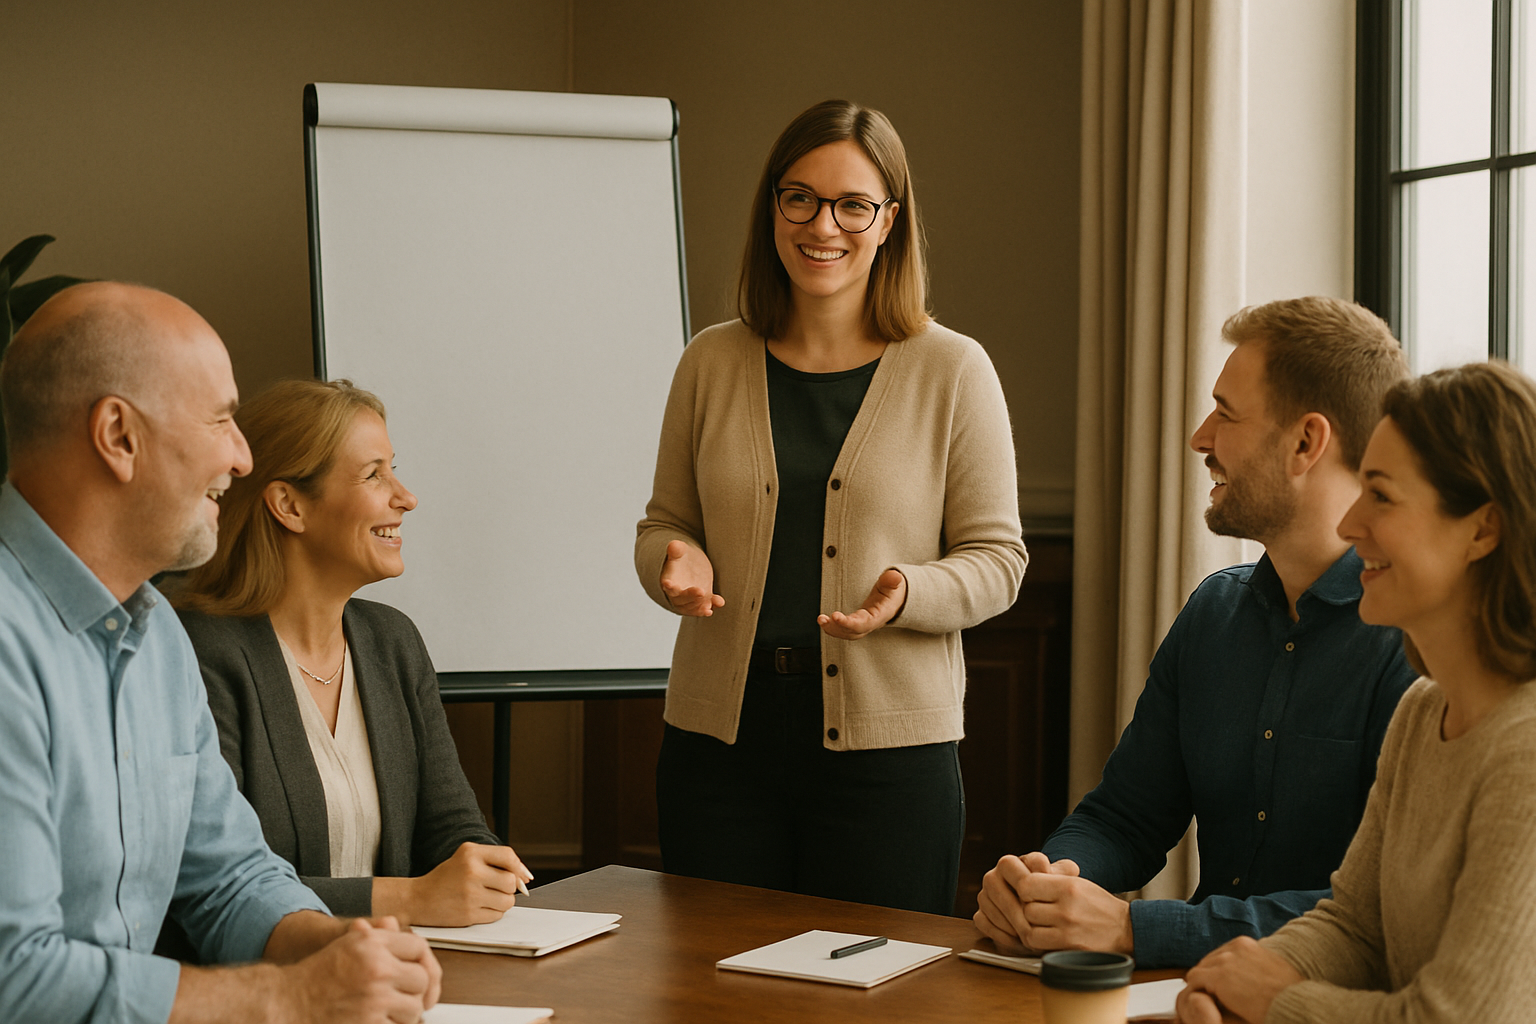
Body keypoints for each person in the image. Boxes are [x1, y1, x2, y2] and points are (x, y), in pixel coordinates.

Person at [0, 282, 440, 1023]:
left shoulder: (158, 638)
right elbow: (15, 978)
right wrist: (290, 997)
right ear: (118, 435)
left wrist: (334, 950)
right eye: (222, 421)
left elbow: (230, 879)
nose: (242, 459)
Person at [634, 98, 1027, 916]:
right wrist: (675, 562)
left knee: (877, 992)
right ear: (773, 207)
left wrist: (908, 592)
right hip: (719, 746)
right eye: (801, 197)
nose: (825, 225)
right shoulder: (710, 361)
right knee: (713, 991)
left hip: (890, 758)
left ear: (890, 221)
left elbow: (999, 561)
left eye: (854, 204)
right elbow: (663, 524)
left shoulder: (953, 369)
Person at [975, 296, 1419, 967]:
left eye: (1226, 414)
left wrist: (1136, 929)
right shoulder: (1214, 612)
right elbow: (1125, 817)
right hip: (1190, 996)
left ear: (1306, 442)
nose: (1200, 437)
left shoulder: (1412, 641)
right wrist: (1046, 883)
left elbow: (1380, 912)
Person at [1176, 360, 1536, 1024]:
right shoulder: (1424, 711)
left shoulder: (1526, 752)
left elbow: (1457, 1019)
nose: (1349, 525)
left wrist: (1276, 999)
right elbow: (1355, 925)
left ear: (1483, 530)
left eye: (1382, 496)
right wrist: (1237, 980)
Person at [173, 378, 532, 925]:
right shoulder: (199, 651)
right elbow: (218, 884)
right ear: (289, 505)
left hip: (396, 974)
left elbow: (451, 827)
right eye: (374, 474)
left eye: (394, 468)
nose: (405, 497)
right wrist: (412, 899)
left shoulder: (392, 642)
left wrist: (479, 867)